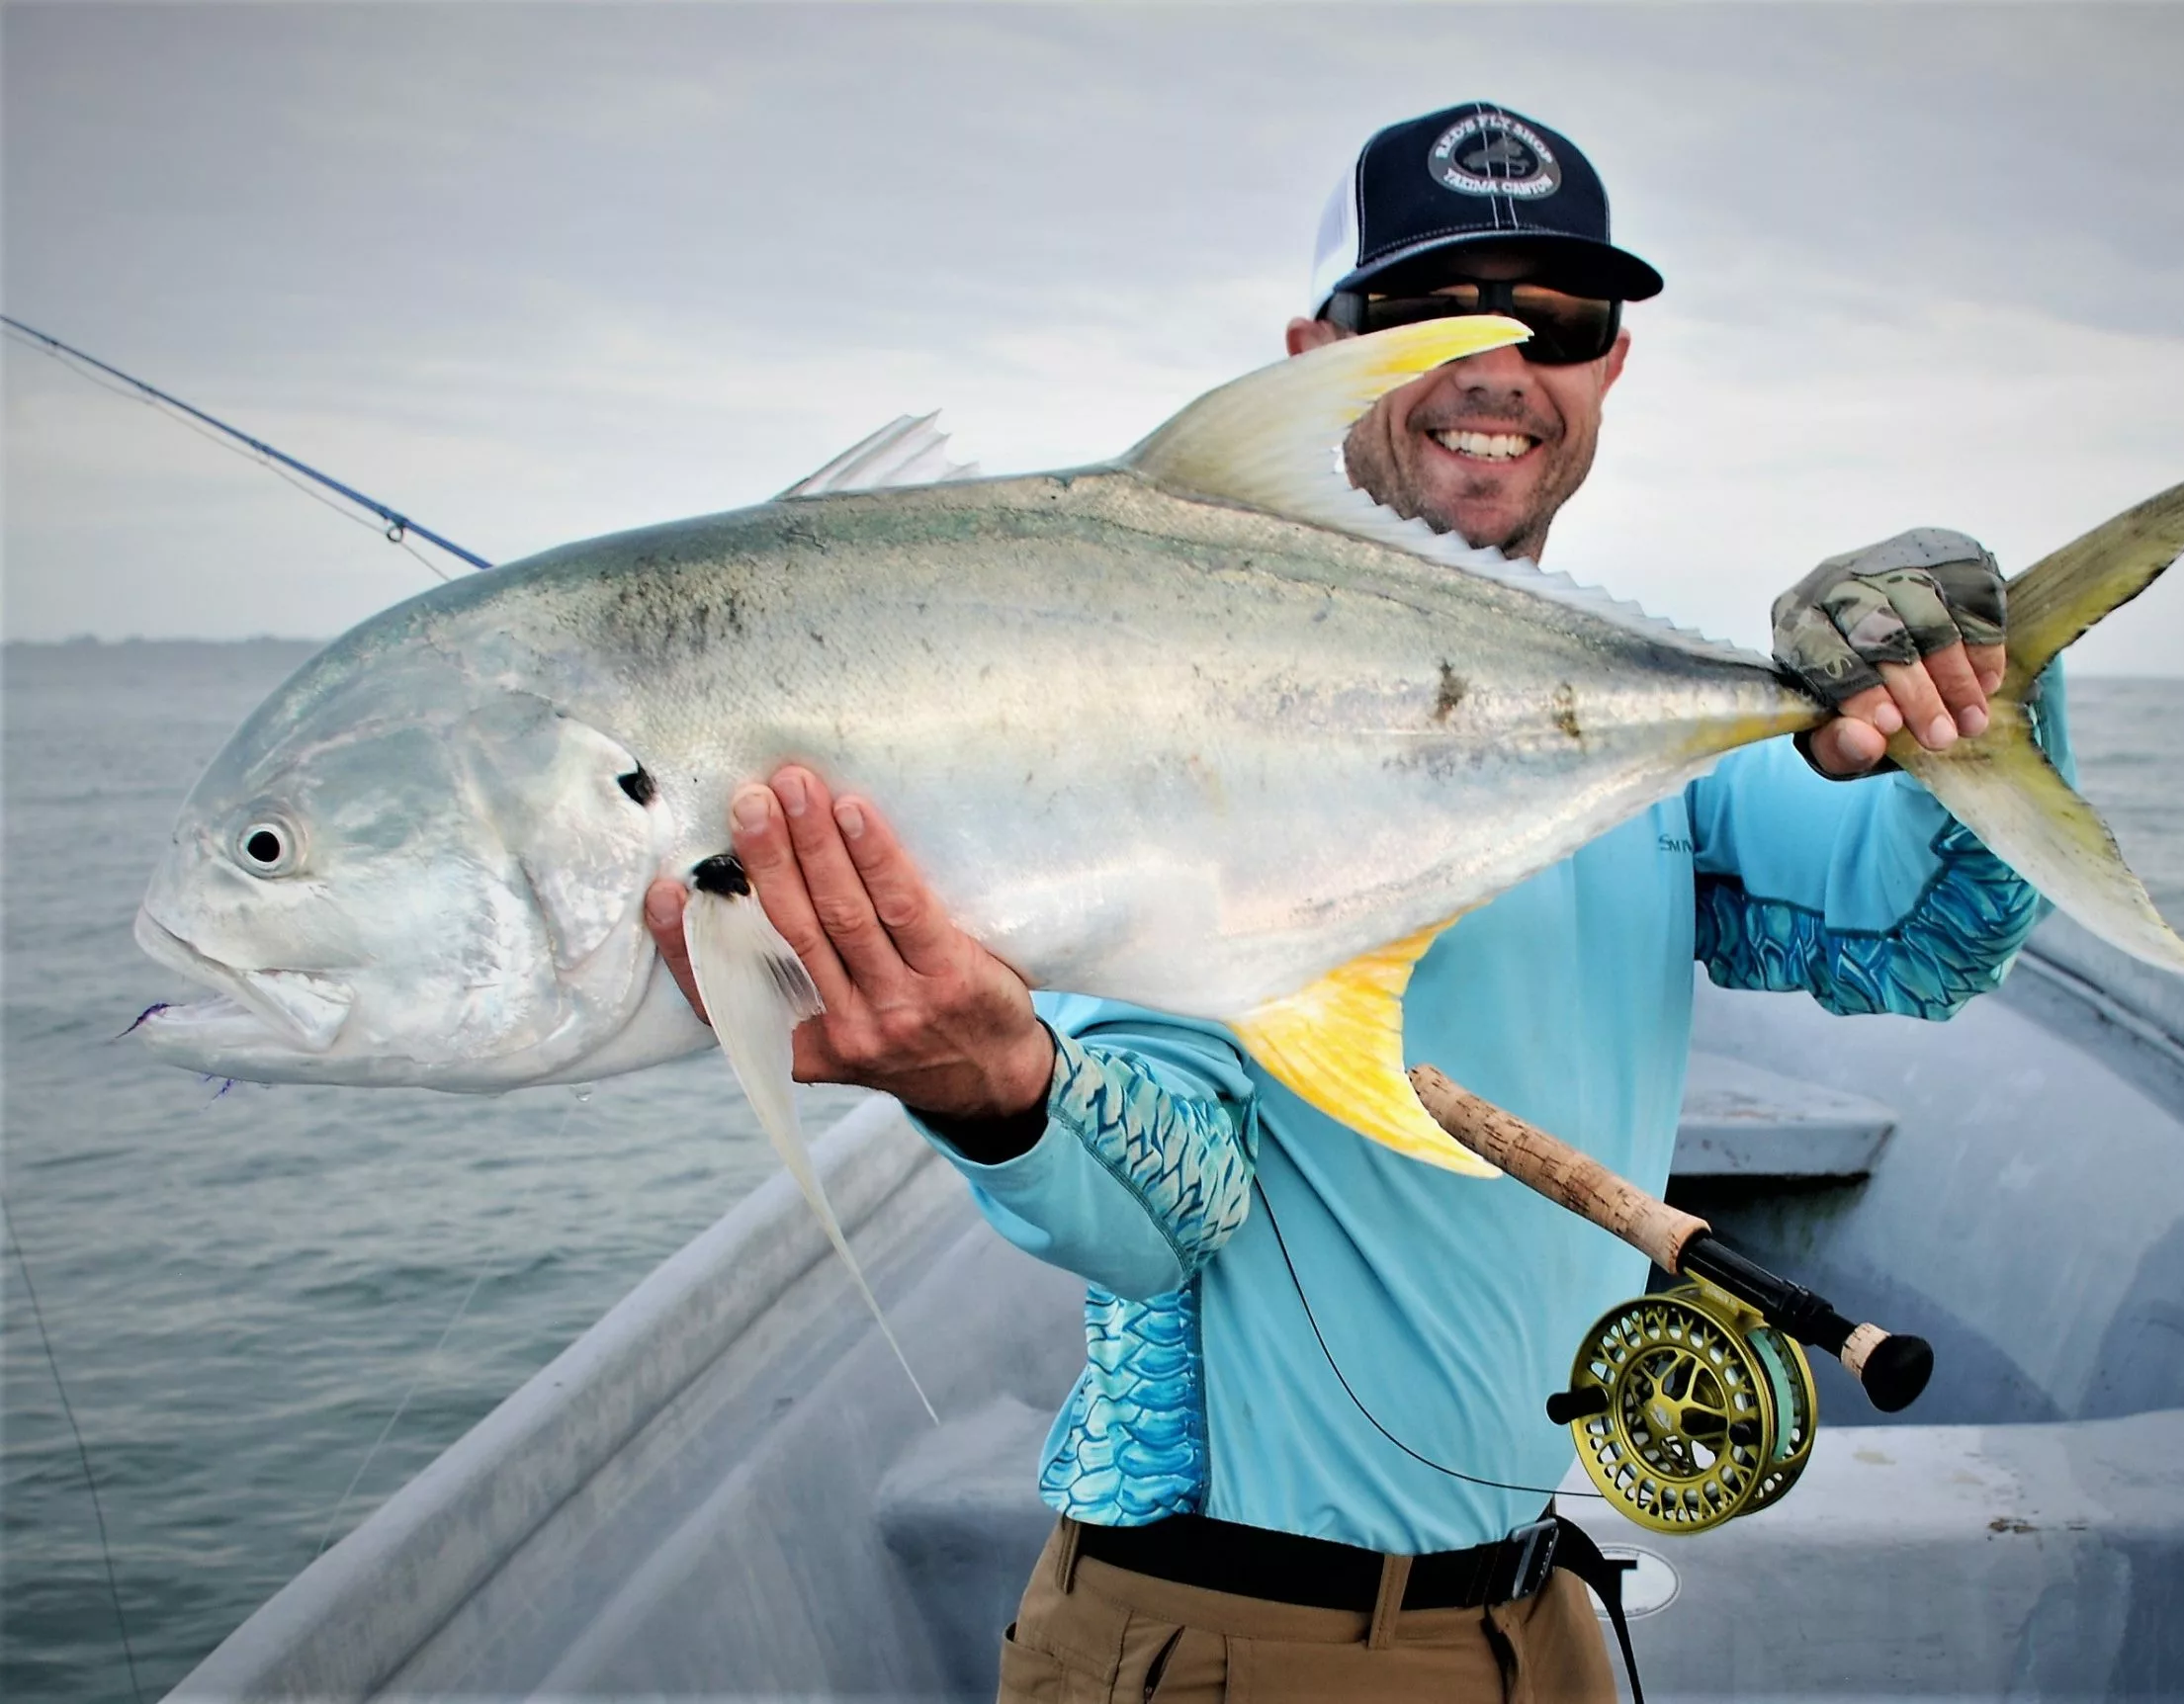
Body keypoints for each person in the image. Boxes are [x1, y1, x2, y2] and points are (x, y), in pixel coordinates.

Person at [643, 102, 2068, 1704]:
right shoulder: (1154, 694)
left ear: (1611, 367)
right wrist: (997, 1089)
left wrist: (1977, 662)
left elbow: (1920, 943)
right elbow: (1165, 1214)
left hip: (1540, 1615)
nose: (1497, 366)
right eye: (1428, 317)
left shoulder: (1639, 732)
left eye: (1556, 321)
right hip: (1235, 1635)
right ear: (1315, 352)